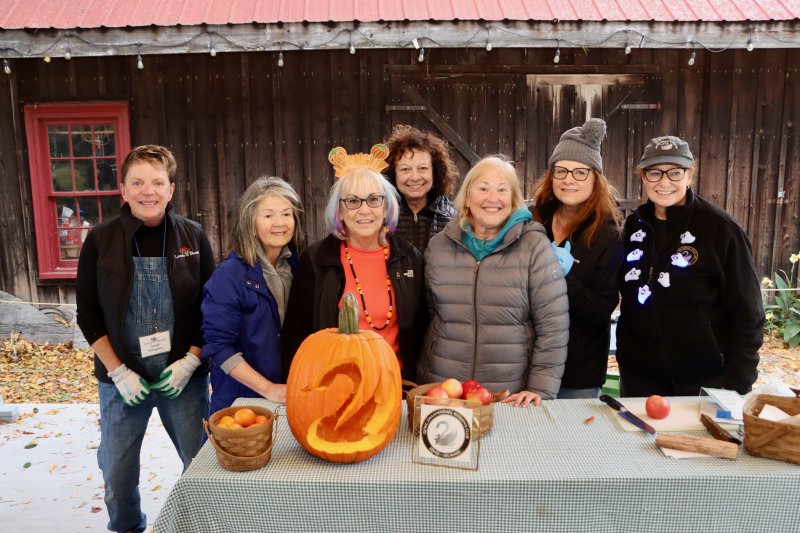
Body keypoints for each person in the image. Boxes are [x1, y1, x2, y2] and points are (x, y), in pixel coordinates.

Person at [76, 145, 214, 533]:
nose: (147, 190)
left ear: (171, 189)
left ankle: (197, 527)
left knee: (199, 464)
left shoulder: (193, 236)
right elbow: (87, 314)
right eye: (137, 182)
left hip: (182, 381)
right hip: (122, 380)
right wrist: (118, 373)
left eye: (156, 182)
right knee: (117, 475)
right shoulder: (100, 241)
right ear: (123, 189)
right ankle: (127, 528)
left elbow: (212, 308)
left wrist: (190, 362)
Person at [616, 136, 765, 396]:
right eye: (654, 172)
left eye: (675, 172)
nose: (664, 182)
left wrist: (739, 382)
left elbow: (748, 312)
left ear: (690, 175)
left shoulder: (720, 229)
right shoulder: (634, 226)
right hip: (640, 379)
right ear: (643, 176)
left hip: (704, 380)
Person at [418, 155, 570, 407]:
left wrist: (540, 389)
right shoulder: (438, 247)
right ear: (467, 196)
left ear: (513, 200)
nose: (492, 198)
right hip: (443, 389)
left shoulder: (534, 247)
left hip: (509, 394)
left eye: (502, 189)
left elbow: (553, 327)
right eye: (483, 188)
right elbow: (431, 315)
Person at [282, 144, 427, 381]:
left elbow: (421, 331)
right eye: (352, 201)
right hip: (335, 384)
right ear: (339, 210)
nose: (364, 210)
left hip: (396, 385)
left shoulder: (409, 258)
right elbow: (295, 334)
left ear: (386, 206)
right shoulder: (316, 260)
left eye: (373, 200)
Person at [531, 118, 624, 399]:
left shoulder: (607, 235)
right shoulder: (536, 220)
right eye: (561, 170)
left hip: (577, 370)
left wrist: (567, 277)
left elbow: (601, 310)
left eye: (580, 172)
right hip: (529, 363)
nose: (568, 179)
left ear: (596, 178)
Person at [201, 177, 302, 413]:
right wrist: (267, 388)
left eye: (287, 214)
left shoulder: (300, 267)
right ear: (250, 222)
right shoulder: (230, 275)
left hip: (292, 395)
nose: (280, 223)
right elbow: (217, 346)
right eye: (268, 215)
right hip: (242, 402)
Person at [385, 125, 458, 252]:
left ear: (435, 173)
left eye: (422, 168)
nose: (414, 177)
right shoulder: (382, 217)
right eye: (405, 169)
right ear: (393, 174)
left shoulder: (454, 219)